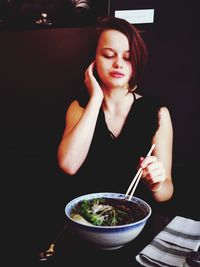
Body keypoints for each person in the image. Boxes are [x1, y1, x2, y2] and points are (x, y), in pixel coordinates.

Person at [57, 16, 174, 204]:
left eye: (128, 57)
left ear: (137, 63)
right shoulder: (79, 107)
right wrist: (95, 98)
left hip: (135, 218)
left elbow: (167, 191)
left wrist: (157, 184)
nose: (118, 63)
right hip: (87, 217)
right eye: (109, 55)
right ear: (93, 59)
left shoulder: (158, 113)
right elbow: (68, 165)